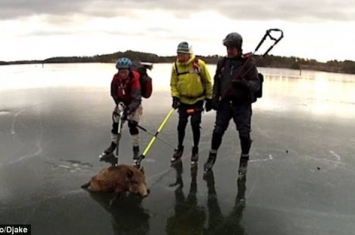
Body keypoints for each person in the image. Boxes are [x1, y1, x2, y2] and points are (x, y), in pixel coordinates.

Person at [203, 32, 260, 177]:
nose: (229, 51)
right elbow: (217, 81)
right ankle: (212, 157)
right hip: (225, 104)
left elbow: (256, 85)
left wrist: (244, 83)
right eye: (227, 47)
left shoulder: (248, 64)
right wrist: (214, 99)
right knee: (218, 131)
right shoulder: (222, 63)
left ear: (238, 48)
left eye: (232, 48)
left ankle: (244, 160)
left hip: (242, 105)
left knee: (244, 133)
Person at [170, 41, 213, 166]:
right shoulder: (175, 66)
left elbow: (208, 82)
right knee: (181, 125)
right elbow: (173, 84)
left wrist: (209, 99)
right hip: (183, 101)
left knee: (195, 124)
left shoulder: (199, 64)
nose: (180, 57)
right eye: (178, 54)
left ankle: (195, 149)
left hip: (197, 100)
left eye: (182, 54)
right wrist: (175, 97)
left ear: (188, 54)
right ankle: (179, 148)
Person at [99, 57, 143, 165]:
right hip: (121, 104)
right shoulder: (115, 79)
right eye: (120, 72)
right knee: (116, 125)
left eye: (125, 72)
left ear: (129, 71)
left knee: (133, 126)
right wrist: (118, 103)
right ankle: (113, 145)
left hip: (134, 105)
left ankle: (136, 150)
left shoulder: (134, 80)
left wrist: (128, 111)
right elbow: (113, 93)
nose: (122, 74)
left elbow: (137, 99)